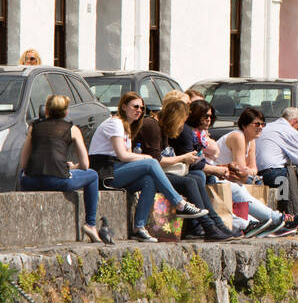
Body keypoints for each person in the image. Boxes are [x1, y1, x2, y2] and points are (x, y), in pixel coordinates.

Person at [87, 91, 208, 243]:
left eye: (141, 108)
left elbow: (126, 157)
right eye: (135, 106)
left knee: (149, 180)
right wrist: (146, 157)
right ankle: (179, 203)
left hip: (116, 169)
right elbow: (123, 155)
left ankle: (139, 227)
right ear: (123, 107)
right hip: (106, 174)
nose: (139, 110)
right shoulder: (115, 123)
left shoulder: (127, 126)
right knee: (151, 162)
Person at [135, 92, 236, 242]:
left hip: (160, 172)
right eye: (182, 122)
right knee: (190, 181)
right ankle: (208, 227)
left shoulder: (161, 128)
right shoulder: (152, 126)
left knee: (196, 177)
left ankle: (216, 224)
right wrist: (184, 158)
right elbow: (156, 160)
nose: (183, 127)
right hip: (149, 174)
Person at [19, 93, 102, 243]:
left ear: (47, 111)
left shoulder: (34, 127)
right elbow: (85, 165)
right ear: (66, 111)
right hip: (57, 180)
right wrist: (73, 166)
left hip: (30, 181)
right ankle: (90, 224)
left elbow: (24, 164)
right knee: (93, 175)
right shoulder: (72, 129)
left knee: (22, 174)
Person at [211, 106, 298, 236]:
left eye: (263, 124)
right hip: (217, 177)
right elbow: (241, 170)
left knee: (248, 183)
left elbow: (253, 169)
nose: (261, 127)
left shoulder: (251, 141)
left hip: (229, 178)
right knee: (241, 187)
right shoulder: (238, 136)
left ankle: (271, 226)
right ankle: (278, 219)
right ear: (245, 125)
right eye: (257, 124)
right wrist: (246, 171)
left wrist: (246, 171)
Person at [257, 107, 298, 232]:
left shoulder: (267, 127)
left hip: (259, 173)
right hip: (276, 174)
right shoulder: (290, 132)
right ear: (294, 122)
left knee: (294, 177)